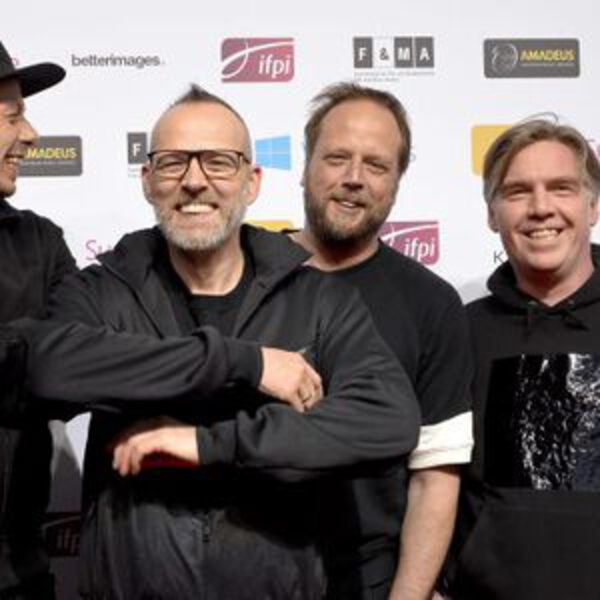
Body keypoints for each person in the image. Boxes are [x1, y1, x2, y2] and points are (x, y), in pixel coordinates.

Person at [46, 84, 419, 600]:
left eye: (219, 162)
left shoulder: (318, 299)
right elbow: (46, 369)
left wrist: (210, 444)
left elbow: (387, 418)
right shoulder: (102, 291)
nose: (195, 181)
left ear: (252, 182)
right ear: (148, 180)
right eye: (173, 162)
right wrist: (243, 363)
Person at [289, 82, 473, 600]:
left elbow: (435, 476)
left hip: (368, 580)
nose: (354, 178)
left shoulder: (431, 303)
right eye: (337, 158)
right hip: (243, 573)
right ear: (305, 166)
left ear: (396, 182)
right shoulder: (240, 272)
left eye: (376, 165)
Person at [449, 118, 600, 600]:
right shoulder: (459, 332)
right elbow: (430, 480)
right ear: (492, 215)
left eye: (561, 188)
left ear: (593, 205)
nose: (540, 208)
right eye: (517, 192)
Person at [0, 39, 73, 600]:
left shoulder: (39, 242)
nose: (30, 134)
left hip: (19, 574)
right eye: (12, 116)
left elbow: (77, 366)